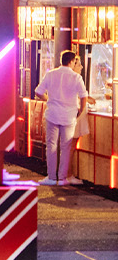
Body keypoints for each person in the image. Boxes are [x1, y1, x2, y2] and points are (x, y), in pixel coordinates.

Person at [35, 50, 90, 186]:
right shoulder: (76, 78)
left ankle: (51, 178)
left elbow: (38, 92)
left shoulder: (51, 74)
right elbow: (84, 96)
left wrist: (48, 99)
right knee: (66, 147)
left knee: (51, 146)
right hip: (69, 116)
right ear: (71, 62)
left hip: (52, 114)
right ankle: (63, 178)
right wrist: (80, 110)